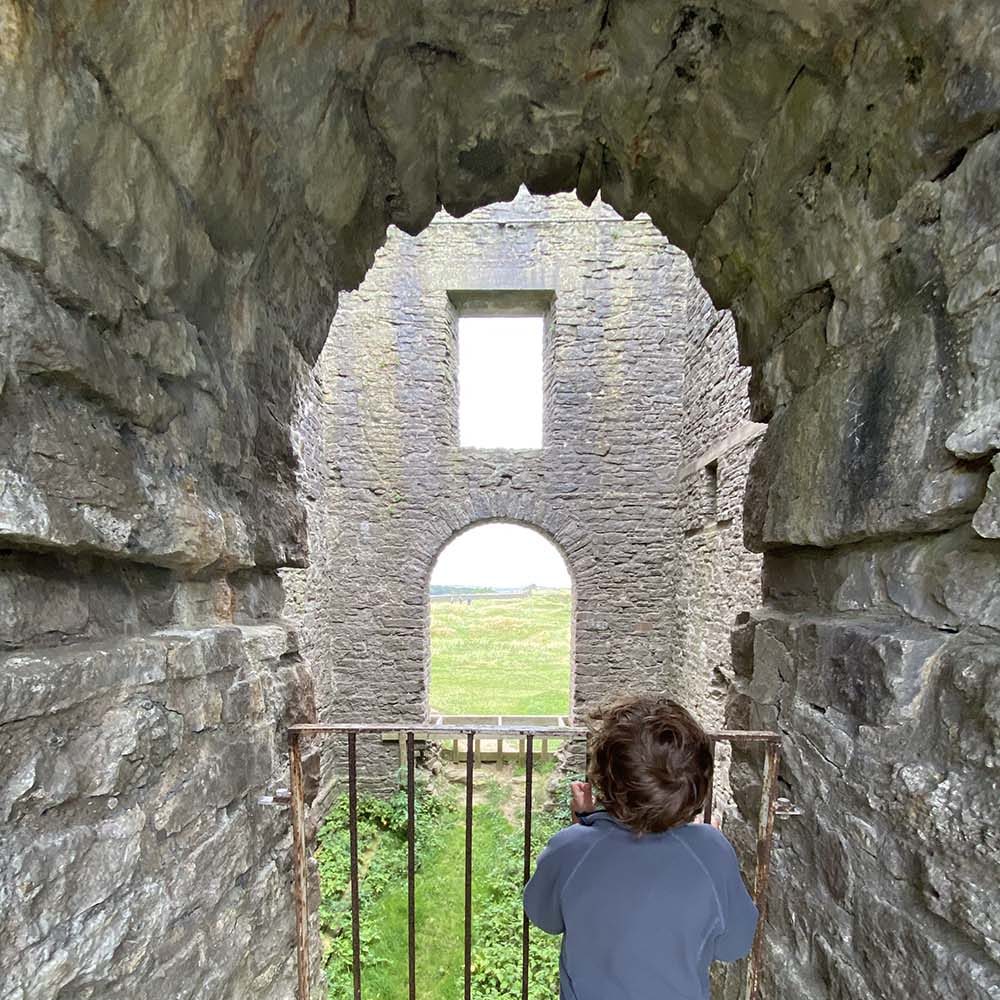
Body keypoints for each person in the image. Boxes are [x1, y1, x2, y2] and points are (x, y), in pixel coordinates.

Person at [523, 695, 759, 1000]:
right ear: (696, 787)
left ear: (604, 779)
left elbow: (546, 917)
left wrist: (586, 825)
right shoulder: (712, 851)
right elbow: (734, 945)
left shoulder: (571, 848)